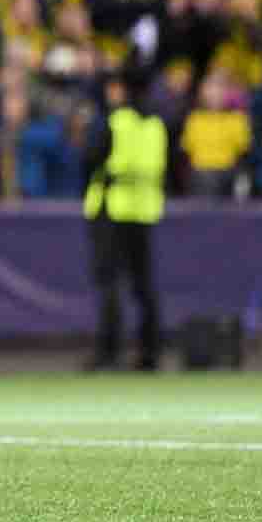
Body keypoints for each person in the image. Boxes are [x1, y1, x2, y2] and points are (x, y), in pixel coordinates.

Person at [81, 68, 168, 372]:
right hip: (143, 211)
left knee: (110, 283)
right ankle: (150, 351)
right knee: (143, 284)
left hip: (112, 209)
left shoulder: (115, 122)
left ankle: (109, 350)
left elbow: (89, 158)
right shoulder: (156, 125)